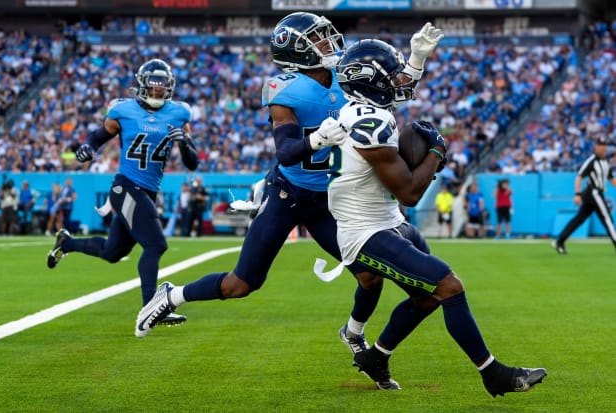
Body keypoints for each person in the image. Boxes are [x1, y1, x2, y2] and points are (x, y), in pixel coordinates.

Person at [133, 13, 389, 346]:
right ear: (299, 51)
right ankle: (173, 295)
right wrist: (317, 139)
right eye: (319, 39)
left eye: (326, 36)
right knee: (241, 284)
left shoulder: (346, 77)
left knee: (371, 276)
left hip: (327, 200)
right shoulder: (285, 89)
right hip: (288, 193)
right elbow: (285, 151)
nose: (329, 43)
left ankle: (353, 333)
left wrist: (417, 61)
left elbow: (392, 89)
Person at [317, 38, 547, 395]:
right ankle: (494, 374)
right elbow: (409, 192)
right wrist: (436, 153)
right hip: (365, 232)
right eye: (390, 75)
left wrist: (417, 58)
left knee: (427, 297)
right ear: (371, 82)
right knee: (448, 286)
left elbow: (402, 89)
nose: (398, 80)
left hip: (387, 221)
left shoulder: (360, 111)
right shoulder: (369, 123)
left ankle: (376, 356)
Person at [45, 58, 199, 327]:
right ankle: (151, 308)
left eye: (162, 87)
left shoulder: (179, 114)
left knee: (112, 252)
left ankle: (66, 243)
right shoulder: (123, 110)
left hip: (146, 192)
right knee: (156, 244)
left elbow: (192, 162)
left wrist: (184, 143)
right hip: (125, 187)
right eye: (152, 87)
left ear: (169, 87)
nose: (157, 91)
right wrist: (88, 148)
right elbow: (98, 136)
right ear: (141, 86)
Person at [552, 137, 616, 254]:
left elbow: (611, 178)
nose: (602, 148)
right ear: (596, 147)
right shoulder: (591, 161)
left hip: (595, 193)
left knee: (579, 219)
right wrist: (577, 194)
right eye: (600, 145)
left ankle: (559, 241)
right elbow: (580, 176)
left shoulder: (606, 162)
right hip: (593, 192)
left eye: (604, 145)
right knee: (607, 219)